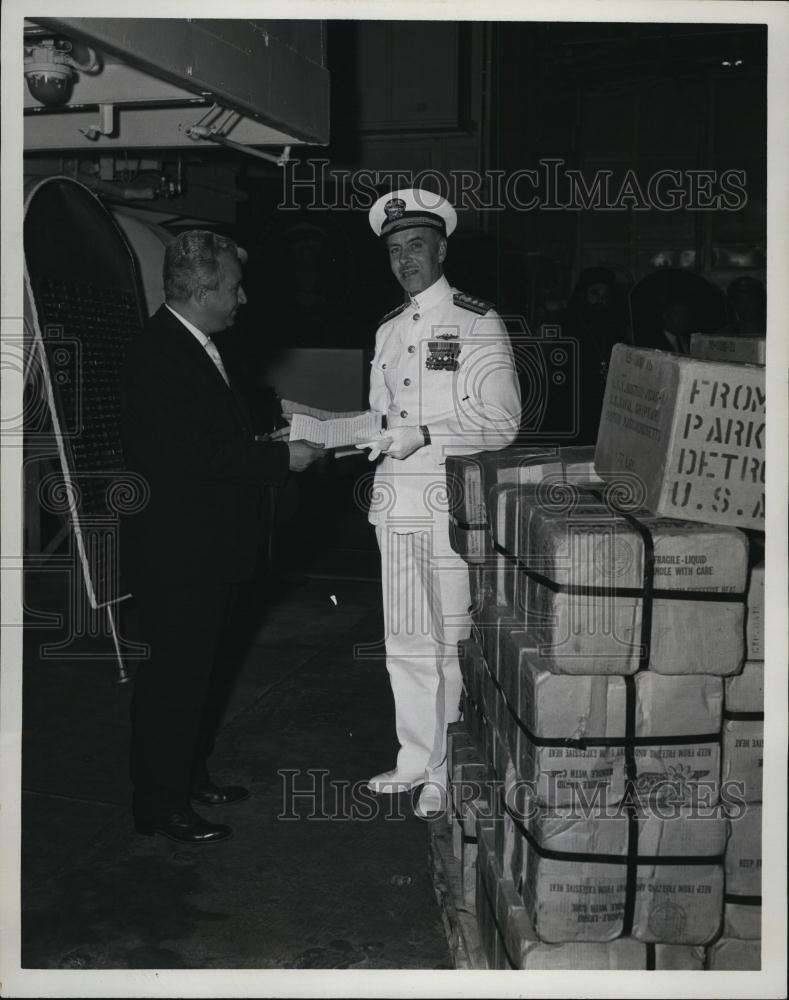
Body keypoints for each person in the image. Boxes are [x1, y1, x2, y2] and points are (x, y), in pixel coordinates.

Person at [120, 229, 324, 844]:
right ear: (204, 290)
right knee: (174, 682)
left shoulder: (195, 344)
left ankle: (188, 776)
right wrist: (279, 460)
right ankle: (160, 806)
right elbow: (194, 453)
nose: (244, 298)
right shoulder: (160, 354)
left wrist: (260, 445)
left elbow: (209, 439)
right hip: (180, 555)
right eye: (234, 287)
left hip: (207, 548)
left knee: (198, 675)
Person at [358, 189, 521, 818]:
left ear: (441, 248)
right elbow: (380, 411)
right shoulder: (388, 329)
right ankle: (413, 758)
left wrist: (425, 434)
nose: (405, 259)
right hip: (393, 503)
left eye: (415, 246)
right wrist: (342, 432)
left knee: (448, 639)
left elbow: (502, 420)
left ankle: (447, 769)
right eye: (395, 250)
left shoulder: (478, 321)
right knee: (404, 637)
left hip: (444, 504)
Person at [560, 266, 629, 444]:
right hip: (575, 403)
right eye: (594, 294)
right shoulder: (569, 324)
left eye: (605, 296)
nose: (600, 300)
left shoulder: (615, 325)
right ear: (583, 294)